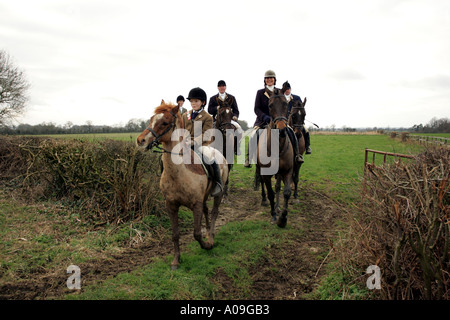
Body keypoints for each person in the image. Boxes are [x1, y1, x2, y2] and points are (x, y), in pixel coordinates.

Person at [244, 70, 303, 167]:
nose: (269, 79)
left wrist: (283, 118)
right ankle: (249, 158)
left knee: (291, 132)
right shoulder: (260, 93)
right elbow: (257, 109)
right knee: (254, 135)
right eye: (267, 78)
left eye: (271, 78)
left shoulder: (280, 91)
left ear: (274, 80)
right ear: (265, 80)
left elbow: (284, 106)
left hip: (279, 121)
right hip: (263, 121)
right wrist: (264, 117)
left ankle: (297, 155)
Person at [182, 87, 223, 197]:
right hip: (185, 144)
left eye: (196, 101)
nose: (193, 103)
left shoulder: (207, 117)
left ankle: (217, 183)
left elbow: (207, 134)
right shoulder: (185, 115)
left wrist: (193, 142)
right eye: (191, 101)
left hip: (201, 145)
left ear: (203, 102)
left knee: (209, 157)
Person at [207, 80, 243, 154]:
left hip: (229, 119)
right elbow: (209, 110)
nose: (222, 88)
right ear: (218, 88)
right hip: (217, 120)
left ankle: (237, 147)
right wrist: (216, 108)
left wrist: (235, 116)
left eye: (223, 86)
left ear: (225, 87)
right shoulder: (213, 98)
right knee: (209, 131)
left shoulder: (231, 97)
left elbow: (236, 110)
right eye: (220, 86)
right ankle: (209, 147)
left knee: (239, 130)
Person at [281, 81, 311, 154]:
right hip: (283, 119)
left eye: (288, 89)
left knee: (306, 130)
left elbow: (301, 108)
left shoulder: (296, 97)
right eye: (285, 89)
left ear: (290, 89)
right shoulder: (280, 98)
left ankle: (307, 147)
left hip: (296, 120)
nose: (287, 90)